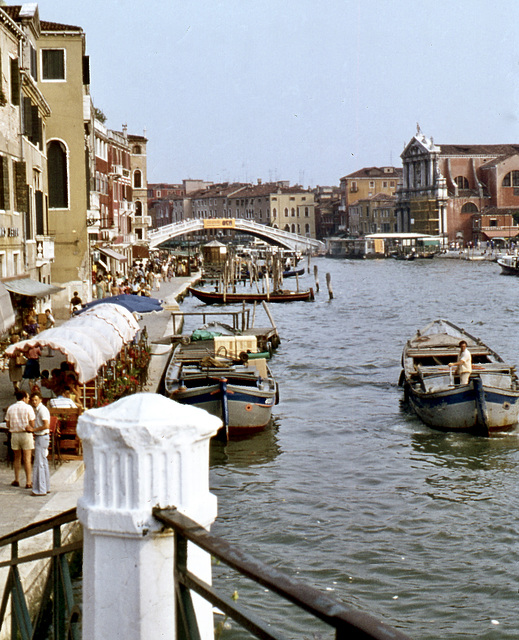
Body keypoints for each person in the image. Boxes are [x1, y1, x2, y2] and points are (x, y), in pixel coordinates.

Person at [5, 390, 35, 488]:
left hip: (15, 434)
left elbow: (8, 424)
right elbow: (32, 423)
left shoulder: (11, 408)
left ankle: (17, 479)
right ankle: (28, 481)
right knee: (27, 458)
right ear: (24, 398)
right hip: (25, 434)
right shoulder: (28, 408)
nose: (28, 399)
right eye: (27, 397)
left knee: (17, 458)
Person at [29, 391, 51, 496]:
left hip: (42, 436)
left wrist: (34, 429)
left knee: (39, 463)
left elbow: (46, 425)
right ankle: (46, 487)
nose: (34, 402)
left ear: (40, 400)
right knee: (43, 462)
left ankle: (40, 489)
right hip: (41, 436)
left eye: (36, 400)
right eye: (33, 400)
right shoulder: (37, 410)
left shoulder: (42, 410)